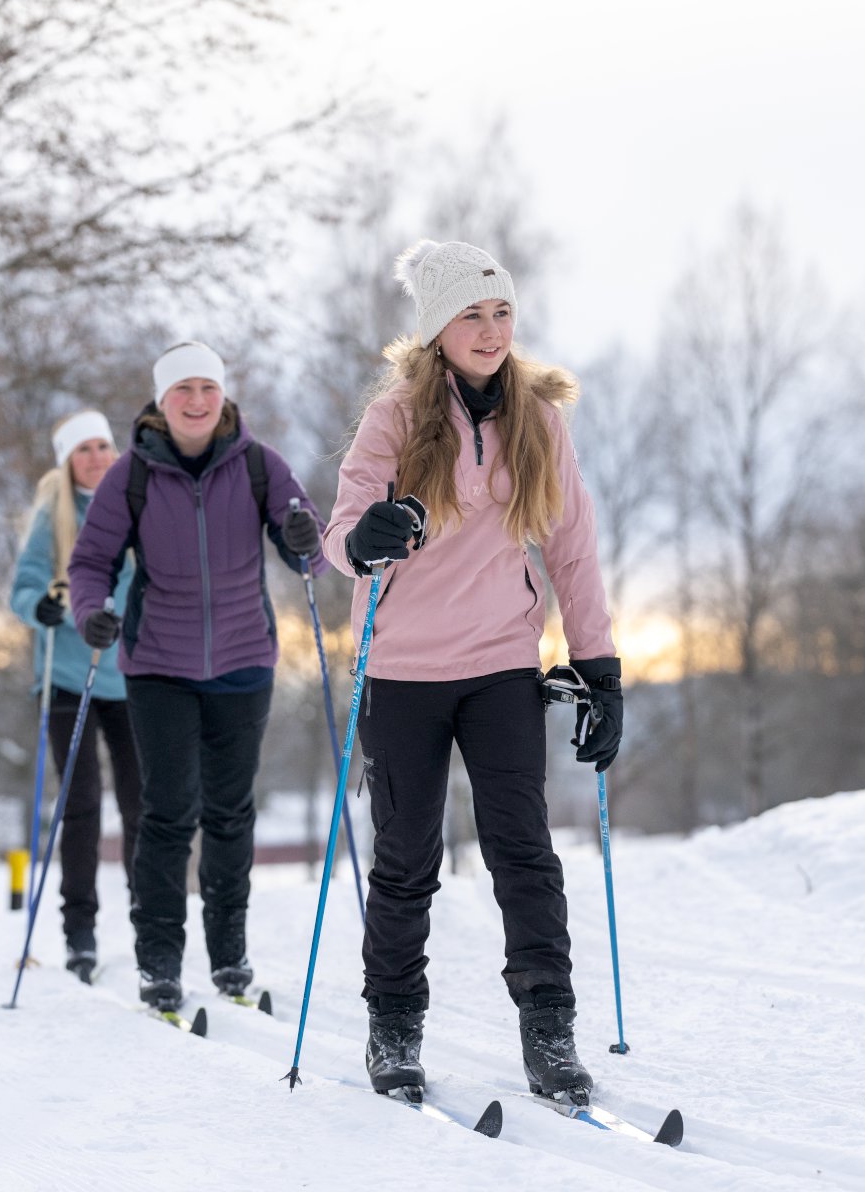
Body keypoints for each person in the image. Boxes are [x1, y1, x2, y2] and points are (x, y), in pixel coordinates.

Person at [321, 239, 624, 1105]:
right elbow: (347, 533)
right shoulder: (393, 421)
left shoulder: (539, 419)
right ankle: (393, 1031)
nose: (491, 330)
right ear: (436, 329)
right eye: (471, 314)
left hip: (500, 663)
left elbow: (573, 546)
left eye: (501, 313)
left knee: (523, 853)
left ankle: (551, 1032)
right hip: (404, 669)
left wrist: (599, 667)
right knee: (407, 859)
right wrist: (367, 537)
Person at [68, 341, 327, 1011]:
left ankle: (230, 956)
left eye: (206, 388)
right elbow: (92, 562)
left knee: (231, 815)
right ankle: (159, 961)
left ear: (222, 396)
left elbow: (310, 552)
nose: (196, 400)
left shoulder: (262, 466)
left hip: (244, 663)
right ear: (162, 400)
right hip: (159, 668)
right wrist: (91, 612)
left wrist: (304, 539)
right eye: (182, 389)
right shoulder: (131, 476)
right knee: (167, 814)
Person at [9, 410, 143, 984]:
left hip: (134, 673)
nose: (96, 457)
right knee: (82, 801)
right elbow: (24, 585)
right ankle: (79, 930)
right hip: (67, 676)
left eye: (104, 446)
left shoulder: (136, 502)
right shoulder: (54, 516)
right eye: (84, 449)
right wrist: (38, 605)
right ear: (68, 461)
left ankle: (149, 918)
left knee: (144, 803)